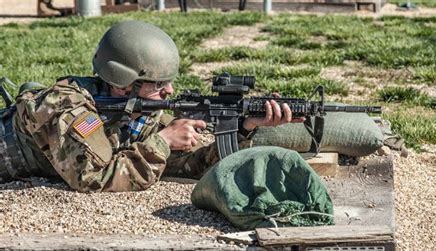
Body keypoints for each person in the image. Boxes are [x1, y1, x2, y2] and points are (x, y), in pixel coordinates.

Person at [8, 20, 303, 192]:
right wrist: (162, 142)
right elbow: (94, 180)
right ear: (125, 84)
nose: (170, 91)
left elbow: (191, 165)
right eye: (159, 85)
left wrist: (244, 126)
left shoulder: (135, 113)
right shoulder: (66, 108)